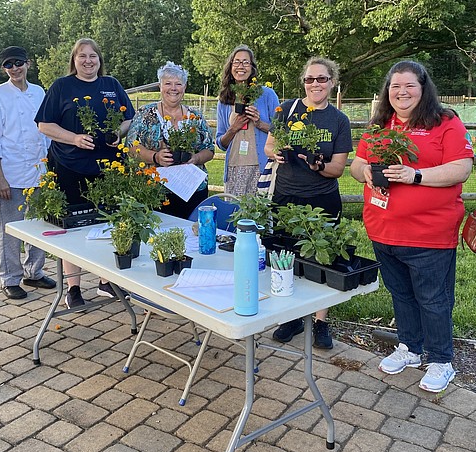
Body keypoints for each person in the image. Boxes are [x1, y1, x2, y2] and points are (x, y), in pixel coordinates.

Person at [351, 61, 474, 392]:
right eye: (395, 86)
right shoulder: (381, 125)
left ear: (424, 88)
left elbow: (462, 168)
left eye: (409, 86)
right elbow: (358, 162)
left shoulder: (444, 122)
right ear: (387, 91)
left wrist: (415, 175)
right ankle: (410, 347)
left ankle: (440, 359)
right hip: (383, 228)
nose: (401, 92)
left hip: (429, 233)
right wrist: (363, 171)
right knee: (401, 293)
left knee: (433, 298)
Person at [35, 38, 134, 308]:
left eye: (93, 56)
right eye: (82, 56)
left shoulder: (111, 85)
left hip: (108, 168)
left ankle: (105, 281)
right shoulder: (61, 86)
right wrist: (74, 138)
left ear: (100, 61)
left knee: (107, 222)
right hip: (69, 165)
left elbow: (128, 119)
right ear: (74, 60)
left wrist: (118, 134)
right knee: (72, 227)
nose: (88, 61)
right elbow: (44, 125)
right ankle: (73, 288)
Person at [264, 57, 351, 349]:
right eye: (310, 79)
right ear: (303, 82)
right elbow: (269, 145)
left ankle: (320, 321)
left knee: (322, 258)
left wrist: (319, 167)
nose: (316, 84)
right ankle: (291, 316)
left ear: (332, 82)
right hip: (286, 195)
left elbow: (338, 168)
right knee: (286, 256)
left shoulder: (339, 120)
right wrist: (274, 154)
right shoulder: (287, 109)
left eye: (322, 79)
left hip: (322, 199)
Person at [0, 46, 55, 300]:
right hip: (10, 172)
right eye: (8, 65)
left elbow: (46, 131)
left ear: (28, 64)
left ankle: (34, 271)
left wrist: (50, 169)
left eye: (18, 63)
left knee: (37, 225)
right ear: (3, 69)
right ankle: (10, 277)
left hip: (39, 170)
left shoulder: (39, 92)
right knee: (10, 228)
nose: (14, 69)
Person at [126, 61, 215, 219]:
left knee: (193, 235)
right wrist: (155, 157)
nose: (173, 88)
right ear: (160, 86)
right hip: (155, 191)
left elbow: (209, 149)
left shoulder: (196, 116)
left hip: (192, 189)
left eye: (178, 84)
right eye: (168, 83)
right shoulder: (144, 113)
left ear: (184, 87)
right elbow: (131, 147)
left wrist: (195, 158)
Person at [216, 45, 280, 195]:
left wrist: (259, 123)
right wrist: (233, 128)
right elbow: (221, 143)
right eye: (236, 62)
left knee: (261, 214)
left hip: (262, 167)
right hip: (234, 168)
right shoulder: (224, 100)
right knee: (235, 215)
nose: (241, 66)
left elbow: (281, 132)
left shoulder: (267, 95)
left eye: (246, 62)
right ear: (230, 67)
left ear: (252, 67)